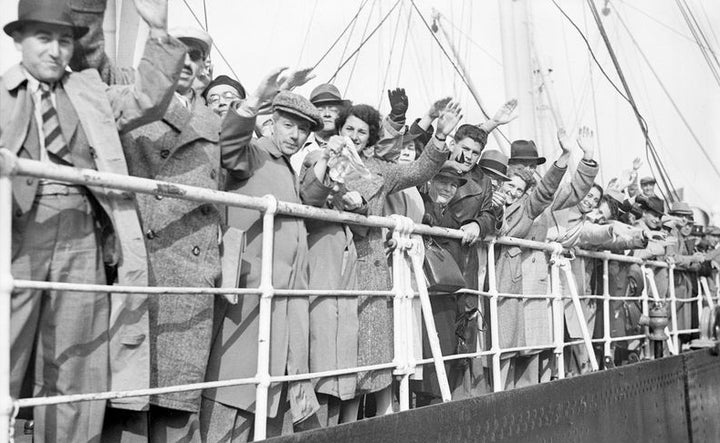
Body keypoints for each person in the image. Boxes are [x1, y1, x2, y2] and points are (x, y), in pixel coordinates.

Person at [2, 0, 185, 440]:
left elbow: (147, 98)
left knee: (75, 362)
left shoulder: (90, 91)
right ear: (19, 40)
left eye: (64, 40)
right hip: (16, 235)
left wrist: (159, 33)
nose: (55, 51)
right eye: (44, 39)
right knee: (4, 351)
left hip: (83, 234)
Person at [69, 2, 233, 437]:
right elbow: (88, 56)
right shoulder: (126, 84)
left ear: (203, 67)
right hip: (138, 261)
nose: (185, 59)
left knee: (177, 406)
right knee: (127, 401)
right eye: (178, 49)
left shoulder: (212, 119)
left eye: (194, 54)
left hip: (190, 275)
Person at [202, 75, 330, 440]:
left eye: (302, 129)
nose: (295, 135)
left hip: (280, 305)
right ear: (270, 121)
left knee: (269, 398)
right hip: (248, 300)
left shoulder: (286, 166)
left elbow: (310, 201)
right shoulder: (254, 152)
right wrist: (254, 99)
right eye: (288, 125)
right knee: (232, 390)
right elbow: (226, 147)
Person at [333, 101, 461, 420]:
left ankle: (379, 421)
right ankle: (346, 425)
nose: (355, 135)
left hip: (372, 268)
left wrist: (440, 137)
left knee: (375, 349)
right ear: (338, 130)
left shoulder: (380, 169)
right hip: (334, 262)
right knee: (344, 352)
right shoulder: (323, 158)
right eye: (349, 128)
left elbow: (419, 171)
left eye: (363, 131)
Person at [509, 126, 599, 382]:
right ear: (510, 165)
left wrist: (588, 156)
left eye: (531, 164)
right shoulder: (504, 189)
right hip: (506, 271)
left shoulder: (546, 195)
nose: (526, 169)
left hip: (538, 275)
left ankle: (539, 385)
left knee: (541, 338)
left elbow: (576, 191)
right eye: (520, 164)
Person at [494, 129, 572, 390]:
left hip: (513, 278)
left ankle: (516, 395)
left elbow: (546, 191)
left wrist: (565, 157)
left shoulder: (527, 205)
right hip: (486, 278)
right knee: (496, 346)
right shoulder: (490, 199)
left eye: (520, 188)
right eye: (511, 184)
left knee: (519, 345)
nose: (514, 191)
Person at [290, 83, 350, 172]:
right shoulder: (295, 146)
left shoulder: (350, 146)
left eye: (333, 109)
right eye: (320, 110)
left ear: (340, 113)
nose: (327, 114)